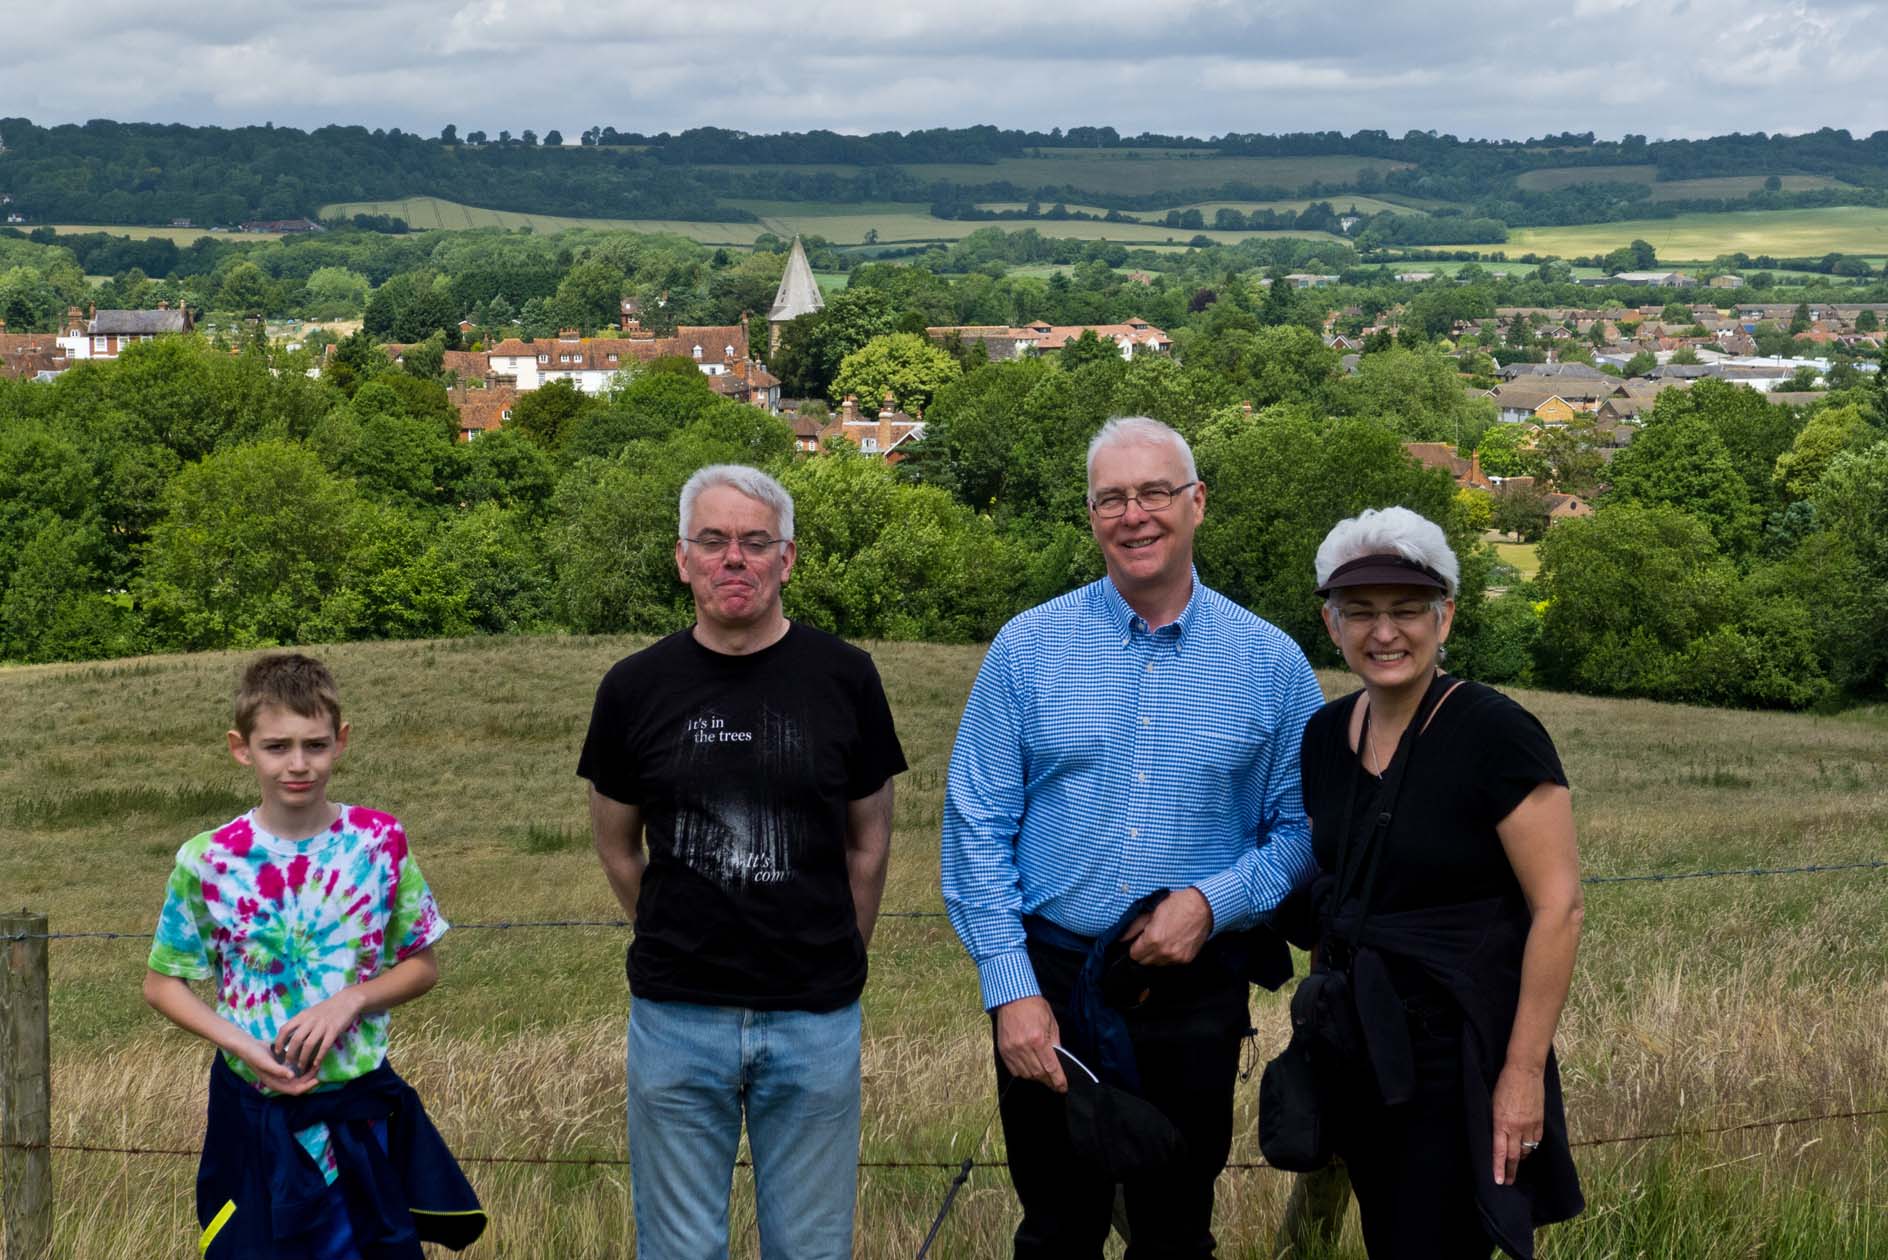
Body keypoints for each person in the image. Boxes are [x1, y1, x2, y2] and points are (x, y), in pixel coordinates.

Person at [941, 416, 1326, 1258]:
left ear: (1197, 503)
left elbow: (1302, 829)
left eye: (1155, 492)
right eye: (1111, 498)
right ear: (1090, 517)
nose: (1134, 515)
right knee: (1056, 1231)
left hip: (1193, 988)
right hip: (1050, 983)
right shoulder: (1026, 648)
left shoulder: (1271, 662)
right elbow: (976, 826)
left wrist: (1212, 904)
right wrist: (1010, 991)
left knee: (1175, 1234)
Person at [578, 463, 905, 1260]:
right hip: (677, 1018)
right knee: (680, 1250)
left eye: (756, 542)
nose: (734, 558)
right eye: (713, 540)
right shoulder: (632, 688)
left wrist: (836, 954)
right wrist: (674, 931)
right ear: (681, 558)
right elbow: (617, 846)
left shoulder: (846, 677)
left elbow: (869, 842)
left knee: (812, 1248)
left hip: (814, 1019)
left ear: (786, 559)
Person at [1293, 506, 1584, 1258]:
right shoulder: (1325, 736)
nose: (1384, 632)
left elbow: (1559, 908)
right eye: (1360, 611)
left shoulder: (1495, 734)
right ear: (1331, 625)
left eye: (1407, 609)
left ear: (1445, 616)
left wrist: (1521, 1075)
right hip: (1362, 1047)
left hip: (1459, 1055)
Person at [143, 653, 483, 1259]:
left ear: (340, 741)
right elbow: (162, 984)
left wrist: (352, 1000)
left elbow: (421, 965)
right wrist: (246, 1048)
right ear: (241, 749)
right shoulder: (208, 861)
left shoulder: (379, 843)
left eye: (315, 745)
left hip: (360, 1121)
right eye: (277, 747)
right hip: (255, 1122)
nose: (298, 764)